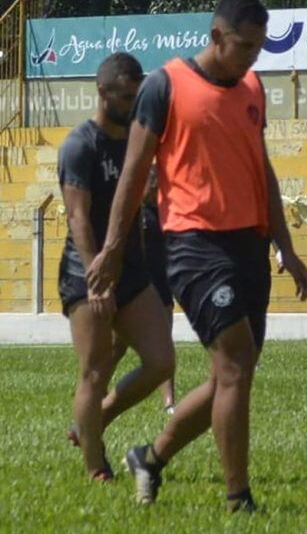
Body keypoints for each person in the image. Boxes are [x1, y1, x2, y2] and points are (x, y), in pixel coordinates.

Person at [86, 0, 307, 512]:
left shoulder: (253, 87)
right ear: (216, 36)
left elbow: (263, 168)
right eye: (244, 47)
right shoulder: (166, 86)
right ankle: (239, 499)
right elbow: (135, 170)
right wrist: (115, 248)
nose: (252, 58)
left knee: (232, 374)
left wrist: (286, 245)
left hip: (248, 245)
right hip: (191, 243)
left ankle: (152, 457)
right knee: (234, 363)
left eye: (259, 49)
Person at [57, 52, 175, 480]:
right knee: (94, 369)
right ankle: (95, 467)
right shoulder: (79, 145)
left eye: (136, 96)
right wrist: (96, 280)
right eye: (125, 97)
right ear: (102, 92)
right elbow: (78, 218)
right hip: (85, 271)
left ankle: (96, 420)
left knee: (161, 362)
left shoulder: (135, 139)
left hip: (131, 269)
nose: (132, 104)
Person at [110, 164, 177, 414]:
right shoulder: (133, 213)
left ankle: (169, 402)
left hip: (161, 284)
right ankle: (98, 388)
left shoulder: (165, 212)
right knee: (117, 346)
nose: (157, 186)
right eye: (153, 182)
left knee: (165, 345)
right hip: (135, 287)